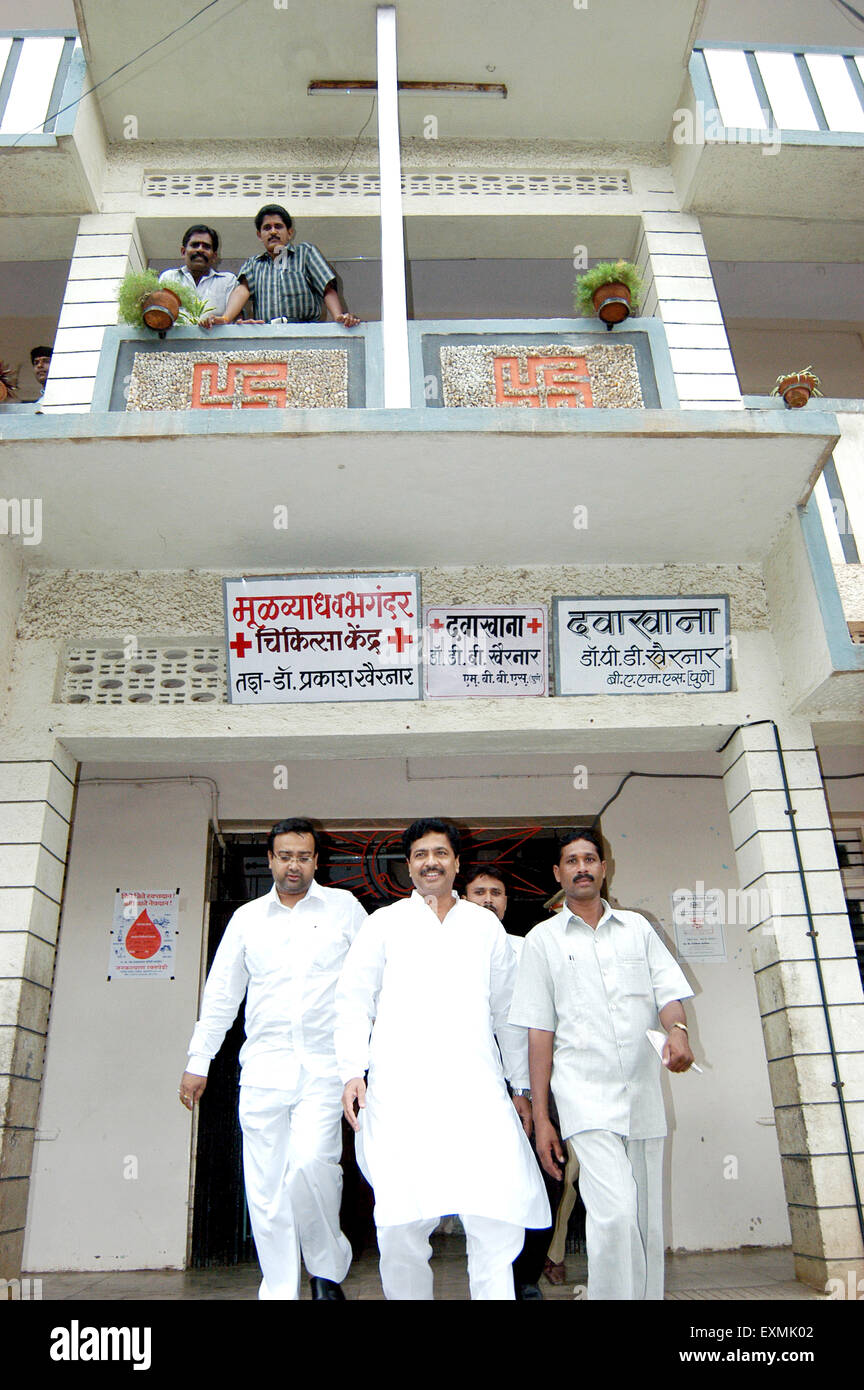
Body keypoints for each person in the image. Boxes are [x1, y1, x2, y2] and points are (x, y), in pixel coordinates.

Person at [336, 819, 549, 1301]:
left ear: (457, 863)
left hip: (476, 1092)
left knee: (495, 1214)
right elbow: (352, 1000)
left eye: (440, 853)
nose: (430, 861)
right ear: (408, 866)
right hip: (400, 1094)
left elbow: (508, 1011)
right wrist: (351, 1071)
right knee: (401, 1224)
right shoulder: (383, 924)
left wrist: (520, 1087)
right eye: (420, 854)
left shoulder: (484, 926)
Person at [178, 817, 367, 1301]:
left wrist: (366, 1062)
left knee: (311, 1166)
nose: (294, 865)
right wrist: (199, 1060)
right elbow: (221, 995)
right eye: (285, 856)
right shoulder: (246, 920)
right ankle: (280, 1288)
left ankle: (326, 1268)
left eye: (304, 856)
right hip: (264, 1067)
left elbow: (371, 983)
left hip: (326, 1067)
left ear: (317, 861)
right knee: (265, 1187)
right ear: (270, 860)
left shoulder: (345, 910)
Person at [509, 827, 695, 1301]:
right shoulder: (541, 941)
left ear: (604, 867)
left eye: (590, 859)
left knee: (646, 1216)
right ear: (558, 873)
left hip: (642, 1093)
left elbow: (669, 996)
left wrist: (678, 1031)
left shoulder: (638, 928)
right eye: (571, 861)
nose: (582, 868)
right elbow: (538, 1032)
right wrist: (544, 1118)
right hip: (583, 1096)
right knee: (613, 1212)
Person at [463, 864, 561, 1301]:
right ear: (464, 897)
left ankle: (525, 1278)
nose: (487, 899)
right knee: (481, 1181)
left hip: (531, 1082)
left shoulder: (527, 949)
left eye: (496, 892)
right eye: (479, 891)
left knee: (545, 1174)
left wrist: (526, 1088)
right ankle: (491, 1278)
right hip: (469, 1081)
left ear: (506, 901)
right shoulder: (449, 949)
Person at [211, 204, 359, 328]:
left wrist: (339, 317)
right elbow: (241, 291)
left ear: (289, 232)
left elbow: (327, 287)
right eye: (267, 228)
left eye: (278, 226)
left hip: (304, 331)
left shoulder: (305, 253)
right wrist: (225, 318)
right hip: (267, 334)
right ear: (259, 235)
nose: (273, 231)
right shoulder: (253, 264)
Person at [158, 224, 237, 318]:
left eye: (206, 247)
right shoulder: (169, 278)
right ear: (183, 252)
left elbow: (235, 318)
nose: (200, 249)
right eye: (195, 245)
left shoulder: (228, 281)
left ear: (214, 256)